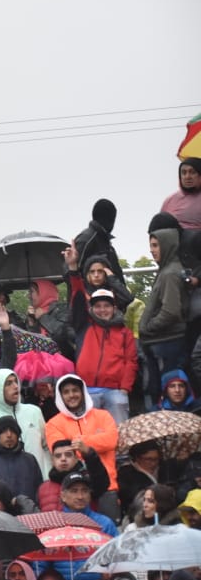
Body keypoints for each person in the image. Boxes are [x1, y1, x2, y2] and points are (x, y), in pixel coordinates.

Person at [64, 245, 139, 426]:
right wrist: (73, 268)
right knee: (91, 439)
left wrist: (124, 388)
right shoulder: (84, 325)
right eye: (98, 306)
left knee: (119, 438)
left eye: (107, 306)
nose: (102, 309)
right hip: (88, 390)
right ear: (92, 308)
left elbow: (131, 362)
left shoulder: (124, 332)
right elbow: (78, 296)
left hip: (116, 392)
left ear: (114, 308)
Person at [46, 374, 120, 504]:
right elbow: (63, 452)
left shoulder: (103, 415)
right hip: (73, 491)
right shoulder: (53, 424)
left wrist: (81, 441)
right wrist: (96, 440)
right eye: (66, 392)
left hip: (107, 487)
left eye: (75, 390)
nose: (71, 395)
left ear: (83, 392)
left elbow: (111, 441)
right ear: (61, 396)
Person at [140, 228, 189, 404]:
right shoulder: (166, 270)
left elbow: (171, 311)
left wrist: (147, 327)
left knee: (169, 395)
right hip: (164, 344)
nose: (152, 250)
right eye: (150, 245)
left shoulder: (169, 274)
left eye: (156, 245)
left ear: (167, 245)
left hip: (169, 345)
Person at [0, 366, 49, 477]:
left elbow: (46, 446)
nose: (15, 386)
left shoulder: (34, 411)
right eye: (8, 383)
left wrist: (48, 474)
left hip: (41, 481)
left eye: (16, 381)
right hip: (8, 486)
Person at [0, 416, 44, 503]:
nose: (9, 435)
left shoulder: (30, 460)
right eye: (4, 431)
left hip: (27, 513)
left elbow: (40, 493)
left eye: (13, 431)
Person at [26, 279, 76, 360]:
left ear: (43, 292)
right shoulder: (33, 314)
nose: (29, 296)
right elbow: (32, 345)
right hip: (42, 363)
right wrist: (32, 325)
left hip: (64, 362)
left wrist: (43, 317)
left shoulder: (62, 309)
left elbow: (64, 334)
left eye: (31, 292)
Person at [160, 157, 201, 230]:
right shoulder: (170, 200)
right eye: (184, 173)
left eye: (192, 172)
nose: (187, 177)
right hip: (172, 237)